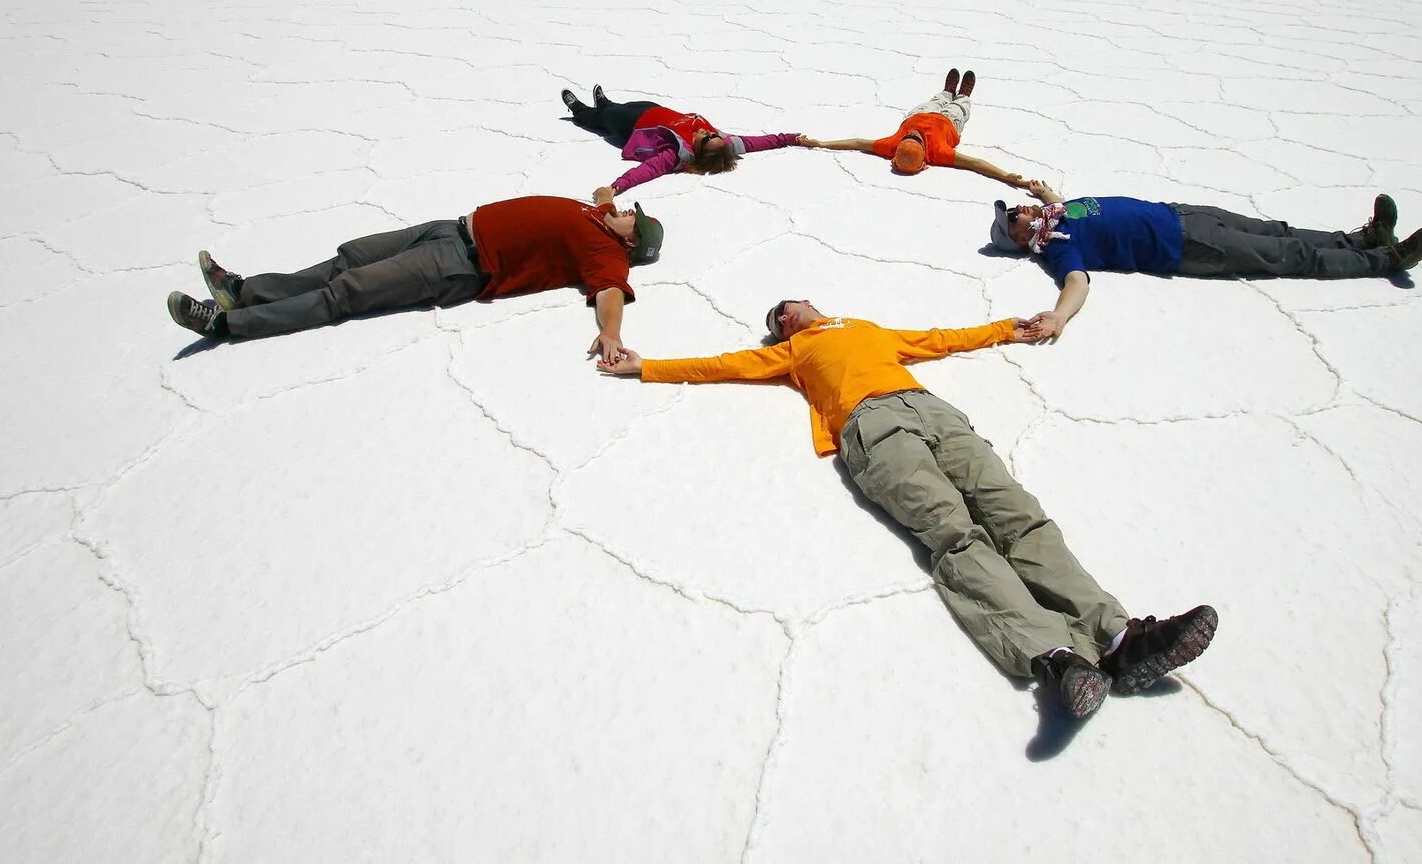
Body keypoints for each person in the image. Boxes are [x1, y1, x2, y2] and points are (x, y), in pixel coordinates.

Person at [597, 298, 1217, 719]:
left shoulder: (866, 329)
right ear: (783, 330)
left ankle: (1119, 637)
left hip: (934, 411)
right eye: (780, 315)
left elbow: (938, 339)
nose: (789, 311)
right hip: (873, 427)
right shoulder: (792, 353)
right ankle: (1057, 658)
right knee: (956, 535)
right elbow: (720, 365)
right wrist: (644, 366)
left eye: (791, 303)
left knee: (1019, 516)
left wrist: (1008, 327)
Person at [165, 188, 662, 361]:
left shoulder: (608, 252)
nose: (624, 212)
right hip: (449, 229)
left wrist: (612, 332)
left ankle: (225, 324)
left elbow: (610, 291)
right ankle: (244, 292)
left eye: (630, 217)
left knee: (347, 293)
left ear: (631, 239)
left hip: (460, 266)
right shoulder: (600, 214)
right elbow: (602, 195)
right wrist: (604, 195)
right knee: (349, 258)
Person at [991, 182, 1422, 339]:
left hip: (1183, 215)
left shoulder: (1058, 212)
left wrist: (1042, 193)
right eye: (1013, 217)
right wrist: (1060, 316)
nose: (1018, 209)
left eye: (1013, 206)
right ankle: (1387, 260)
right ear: (1019, 238)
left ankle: (1363, 239)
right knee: (1288, 256)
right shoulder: (1057, 246)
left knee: (1278, 231)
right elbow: (1077, 282)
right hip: (1188, 249)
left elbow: (1059, 202)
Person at [800, 69, 1030, 188]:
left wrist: (822, 143)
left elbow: (858, 143)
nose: (913, 134)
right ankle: (962, 96)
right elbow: (976, 164)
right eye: (915, 139)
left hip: (920, 113)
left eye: (908, 138)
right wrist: (1005, 175)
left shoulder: (892, 147)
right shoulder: (940, 153)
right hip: (949, 122)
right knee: (960, 108)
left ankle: (947, 92)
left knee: (936, 99)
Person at [559, 84, 805, 194]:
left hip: (630, 127)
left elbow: (647, 170)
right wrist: (792, 138)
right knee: (618, 106)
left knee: (604, 119)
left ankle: (579, 111)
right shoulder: (726, 141)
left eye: (707, 138)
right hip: (649, 110)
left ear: (700, 152)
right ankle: (604, 103)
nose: (709, 132)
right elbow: (758, 142)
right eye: (713, 134)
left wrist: (616, 187)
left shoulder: (675, 155)